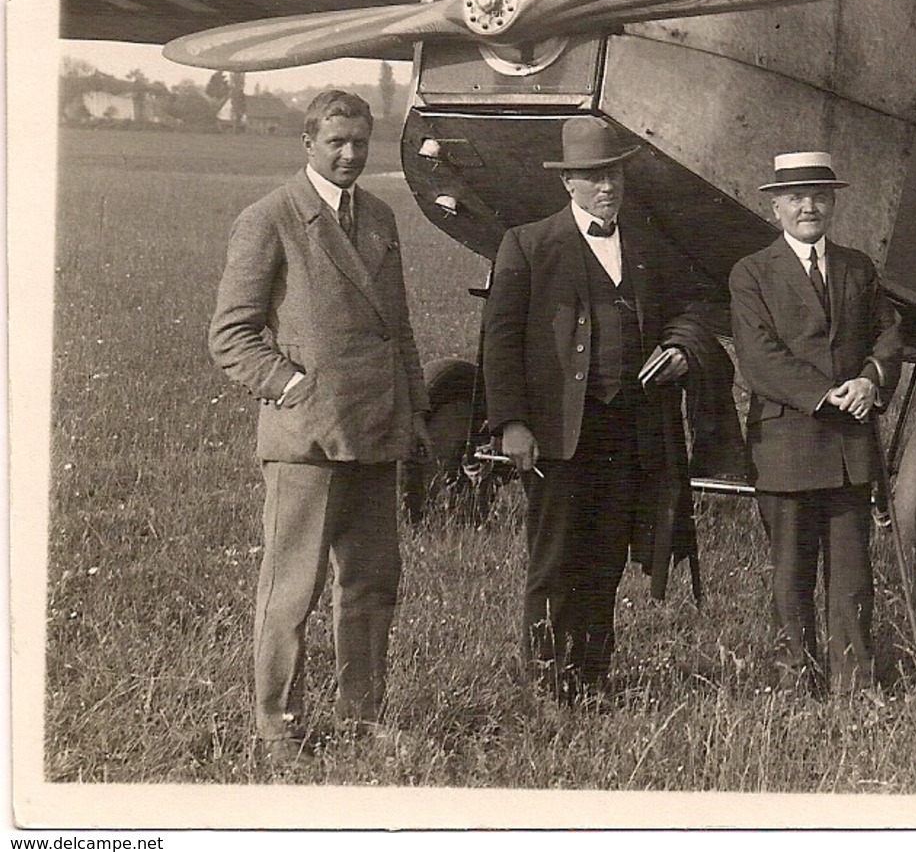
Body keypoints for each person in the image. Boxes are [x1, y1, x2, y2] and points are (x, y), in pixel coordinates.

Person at [208, 90, 432, 766]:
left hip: (376, 432)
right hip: (306, 441)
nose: (349, 154)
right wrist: (293, 386)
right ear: (308, 142)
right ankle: (277, 727)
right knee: (291, 590)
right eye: (336, 140)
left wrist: (416, 410)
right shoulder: (270, 218)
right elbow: (231, 335)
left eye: (360, 142)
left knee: (369, 584)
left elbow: (397, 327)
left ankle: (363, 719)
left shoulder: (380, 216)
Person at [482, 116, 721, 705]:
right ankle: (546, 685)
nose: (605, 187)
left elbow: (692, 308)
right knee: (555, 558)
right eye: (591, 177)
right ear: (568, 183)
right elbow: (500, 340)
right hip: (561, 434)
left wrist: (679, 349)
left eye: (612, 173)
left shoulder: (646, 244)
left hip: (631, 430)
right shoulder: (528, 243)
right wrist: (512, 422)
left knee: (607, 555)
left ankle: (590, 678)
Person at [729, 151, 904, 695]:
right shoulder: (752, 272)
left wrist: (872, 380)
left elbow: (889, 333)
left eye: (820, 197)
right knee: (790, 574)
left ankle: (856, 684)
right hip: (786, 445)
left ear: (833, 204)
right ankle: (793, 681)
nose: (809, 207)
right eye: (797, 198)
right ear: (776, 206)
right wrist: (826, 394)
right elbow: (759, 358)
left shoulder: (858, 267)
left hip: (851, 446)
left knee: (853, 577)